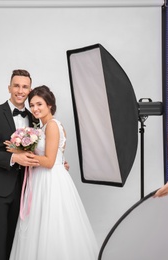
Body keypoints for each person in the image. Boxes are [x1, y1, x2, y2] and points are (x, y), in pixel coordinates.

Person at [7, 85, 99, 260]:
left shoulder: (52, 126)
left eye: (39, 104)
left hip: (50, 181)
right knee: (40, 226)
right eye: (32, 105)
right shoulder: (41, 128)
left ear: (49, 105)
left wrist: (20, 154)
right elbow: (56, 157)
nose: (35, 109)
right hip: (41, 179)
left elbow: (49, 162)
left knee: (52, 226)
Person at [0, 69, 40, 260]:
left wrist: (59, 163)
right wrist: (13, 158)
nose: (20, 90)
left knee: (15, 243)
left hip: (24, 190)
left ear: (30, 90)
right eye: (16, 86)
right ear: (9, 87)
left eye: (25, 87)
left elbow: (40, 150)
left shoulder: (34, 118)